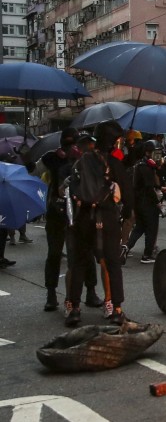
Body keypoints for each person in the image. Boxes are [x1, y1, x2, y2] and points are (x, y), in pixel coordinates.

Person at [65, 119, 132, 326]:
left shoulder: (82, 161)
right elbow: (128, 198)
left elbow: (72, 187)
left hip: (83, 217)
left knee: (79, 263)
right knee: (112, 263)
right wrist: (125, 213)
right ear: (114, 141)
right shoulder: (115, 164)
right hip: (108, 219)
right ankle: (116, 309)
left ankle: (74, 308)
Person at [39, 127, 101, 312]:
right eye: (67, 144)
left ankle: (90, 291)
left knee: (86, 253)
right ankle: (51, 294)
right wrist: (25, 156)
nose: (70, 148)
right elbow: (34, 170)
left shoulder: (86, 158)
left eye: (74, 143)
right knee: (55, 253)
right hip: (57, 211)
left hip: (80, 210)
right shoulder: (51, 157)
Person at [125, 140, 166, 264]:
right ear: (148, 153)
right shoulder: (145, 167)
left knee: (139, 227)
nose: (158, 156)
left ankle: (126, 248)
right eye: (155, 153)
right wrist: (157, 203)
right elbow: (148, 187)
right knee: (151, 229)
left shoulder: (143, 165)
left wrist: (159, 187)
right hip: (146, 202)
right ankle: (147, 255)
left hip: (139, 201)